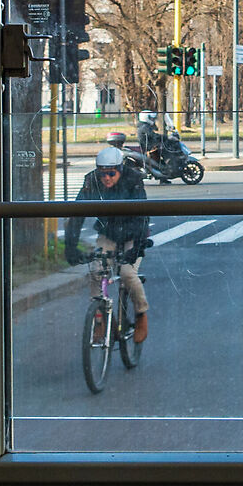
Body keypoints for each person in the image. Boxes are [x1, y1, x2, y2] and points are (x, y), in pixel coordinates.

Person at [64, 135, 153, 342]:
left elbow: (143, 216)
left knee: (127, 273)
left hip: (133, 233)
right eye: (102, 174)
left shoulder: (133, 180)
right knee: (96, 271)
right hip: (109, 233)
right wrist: (71, 246)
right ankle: (100, 320)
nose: (106, 178)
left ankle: (141, 314)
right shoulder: (91, 181)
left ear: (120, 170)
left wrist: (137, 248)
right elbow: (76, 215)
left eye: (111, 174)